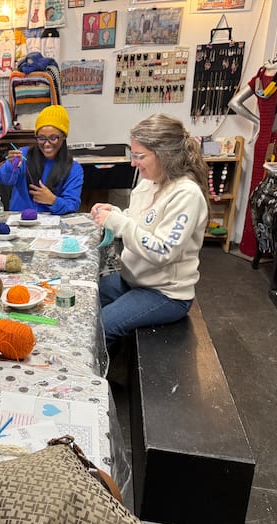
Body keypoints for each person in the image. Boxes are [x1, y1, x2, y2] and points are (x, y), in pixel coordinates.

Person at [91, 113, 209, 348]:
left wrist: (119, 222)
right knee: (86, 299)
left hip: (165, 294)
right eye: (133, 155)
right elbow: (141, 222)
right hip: (135, 281)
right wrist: (117, 214)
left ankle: (100, 369)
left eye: (139, 156)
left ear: (165, 155)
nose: (133, 163)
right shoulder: (149, 182)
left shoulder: (186, 194)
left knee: (101, 327)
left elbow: (163, 251)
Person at [228, 40, 277, 257]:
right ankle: (272, 251)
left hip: (263, 140)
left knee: (258, 190)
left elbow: (234, 103)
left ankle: (252, 246)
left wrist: (258, 121)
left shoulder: (264, 73)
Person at [0, 104, 84, 214]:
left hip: (53, 223)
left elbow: (72, 205)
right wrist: (11, 166)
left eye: (53, 138)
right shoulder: (23, 155)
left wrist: (53, 200)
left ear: (63, 137)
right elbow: (5, 180)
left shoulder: (73, 168)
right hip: (19, 221)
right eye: (41, 138)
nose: (47, 144)